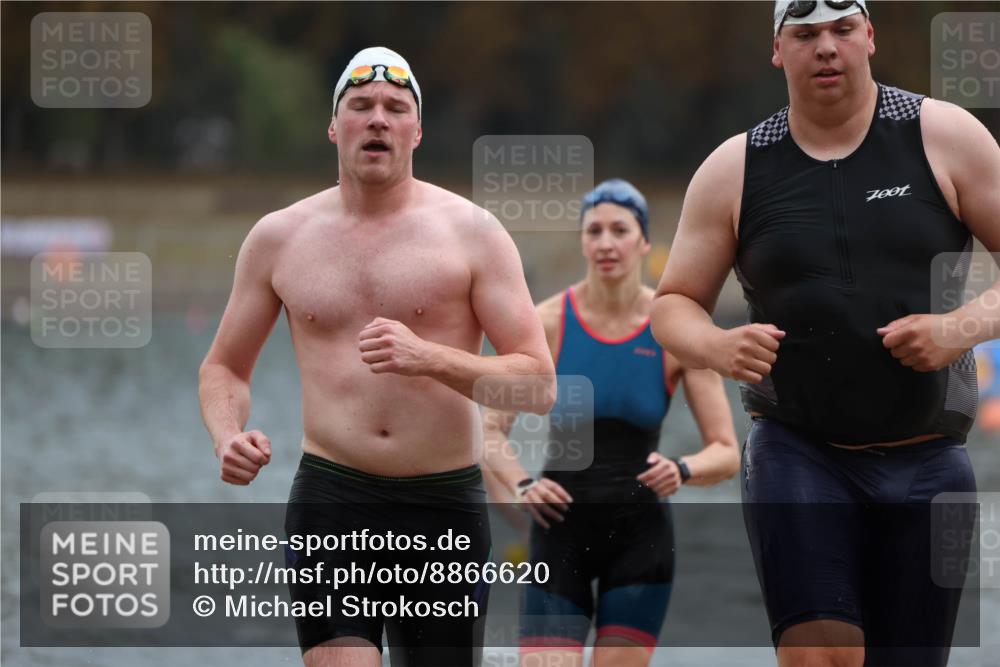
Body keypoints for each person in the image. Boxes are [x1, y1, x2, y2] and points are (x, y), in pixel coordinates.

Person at [651, 2, 1000, 666]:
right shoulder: (736, 167)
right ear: (778, 51)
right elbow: (674, 306)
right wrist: (719, 346)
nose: (828, 47)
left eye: (843, 29)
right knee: (820, 655)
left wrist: (959, 328)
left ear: (870, 36)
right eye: (806, 34)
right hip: (801, 449)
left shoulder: (945, 136)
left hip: (929, 456)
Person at [198, 46, 556, 667]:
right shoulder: (279, 237)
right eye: (361, 106)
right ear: (335, 127)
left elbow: (537, 383)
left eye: (395, 107)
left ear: (417, 130)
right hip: (332, 499)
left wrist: (430, 358)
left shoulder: (473, 234)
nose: (378, 119)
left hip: (442, 505)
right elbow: (225, 367)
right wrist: (227, 434)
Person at [482, 179, 740, 667]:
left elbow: (726, 451)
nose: (605, 243)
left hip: (640, 541)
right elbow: (490, 431)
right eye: (593, 230)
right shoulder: (547, 323)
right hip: (557, 532)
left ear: (644, 241)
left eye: (619, 230)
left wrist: (682, 469)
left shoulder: (674, 330)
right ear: (582, 241)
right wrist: (520, 485)